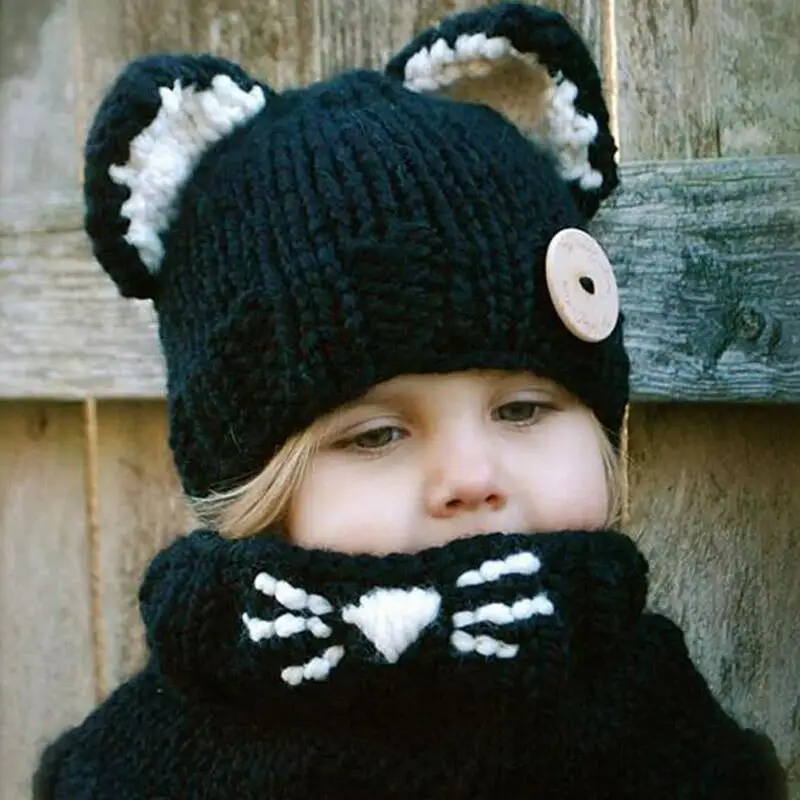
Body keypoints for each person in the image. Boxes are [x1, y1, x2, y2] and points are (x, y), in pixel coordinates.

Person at [33, 3, 787, 798]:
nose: (471, 477)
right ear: (257, 492)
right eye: (376, 435)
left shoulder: (656, 728)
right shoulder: (140, 765)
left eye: (522, 410)